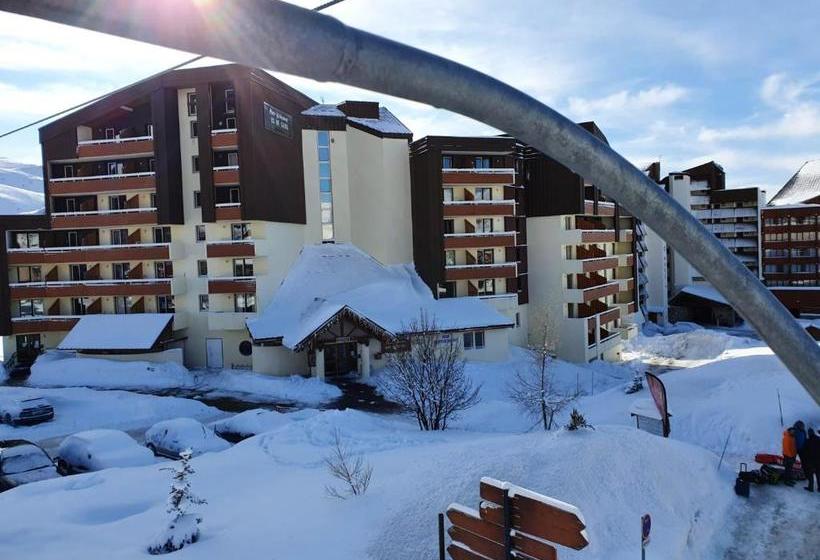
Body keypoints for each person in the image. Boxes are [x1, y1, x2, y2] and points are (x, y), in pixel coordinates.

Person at [804, 428, 820, 492]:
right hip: (818, 460)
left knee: (810, 475)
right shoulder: (818, 439)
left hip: (811, 461)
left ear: (809, 433)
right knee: (818, 474)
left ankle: (810, 488)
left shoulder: (808, 441)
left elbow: (805, 452)